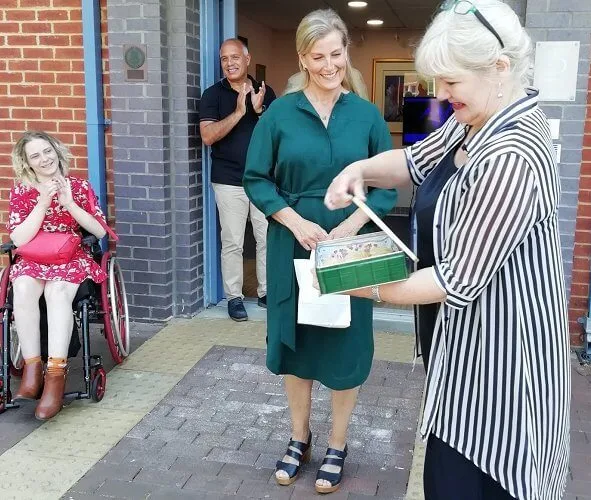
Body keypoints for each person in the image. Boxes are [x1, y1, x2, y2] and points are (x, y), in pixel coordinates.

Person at [323, 1, 570, 499]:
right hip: (461, 358)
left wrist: (352, 278)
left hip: (504, 375)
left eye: (450, 82)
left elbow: (453, 280)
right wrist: (360, 171)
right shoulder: (474, 119)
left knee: (478, 481)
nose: (440, 95)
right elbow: (413, 161)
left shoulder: (514, 153)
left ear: (499, 69)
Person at [243, 9, 397, 494]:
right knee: (297, 344)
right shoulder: (280, 114)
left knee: (345, 344)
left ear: (346, 51)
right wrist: (292, 219)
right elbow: (256, 179)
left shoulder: (367, 115)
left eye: (336, 54)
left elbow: (389, 184)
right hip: (293, 240)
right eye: (318, 56)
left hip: (348, 247)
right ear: (302, 58)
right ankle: (298, 437)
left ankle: (337, 442)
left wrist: (352, 224)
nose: (329, 65)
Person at [8, 131, 108, 420]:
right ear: (27, 163)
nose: (44, 159)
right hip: (34, 256)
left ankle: (55, 376)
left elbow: (100, 232)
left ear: (56, 150)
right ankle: (32, 369)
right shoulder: (22, 191)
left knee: (57, 292)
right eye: (35, 156)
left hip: (71, 256)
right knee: (24, 288)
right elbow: (19, 238)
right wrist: (41, 203)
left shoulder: (79, 186)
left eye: (47, 151)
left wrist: (69, 203)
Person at [199, 38, 276, 321]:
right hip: (228, 180)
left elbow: (278, 136)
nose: (229, 63)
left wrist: (258, 112)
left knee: (266, 237)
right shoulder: (212, 95)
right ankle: (234, 297)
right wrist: (240, 112)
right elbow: (207, 136)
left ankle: (266, 292)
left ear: (247, 59)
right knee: (232, 241)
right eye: (224, 58)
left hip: (262, 180)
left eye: (235, 57)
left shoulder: (266, 94)